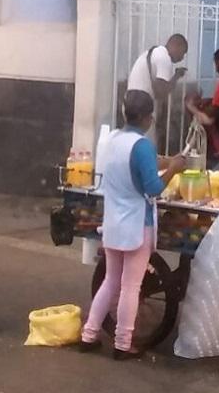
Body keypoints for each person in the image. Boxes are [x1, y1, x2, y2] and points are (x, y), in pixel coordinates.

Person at [79, 90, 185, 360]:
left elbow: (137, 165)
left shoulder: (113, 140)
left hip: (113, 222)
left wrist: (166, 161)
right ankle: (123, 344)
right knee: (130, 287)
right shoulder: (142, 145)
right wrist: (173, 168)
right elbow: (153, 188)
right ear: (149, 118)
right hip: (138, 224)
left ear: (125, 113)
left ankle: (89, 335)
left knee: (110, 281)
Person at [127, 33, 189, 149]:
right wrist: (176, 77)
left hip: (131, 102)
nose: (182, 58)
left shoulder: (155, 52)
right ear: (177, 46)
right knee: (146, 145)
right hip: (141, 107)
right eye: (183, 53)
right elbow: (160, 92)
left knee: (133, 143)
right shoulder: (164, 58)